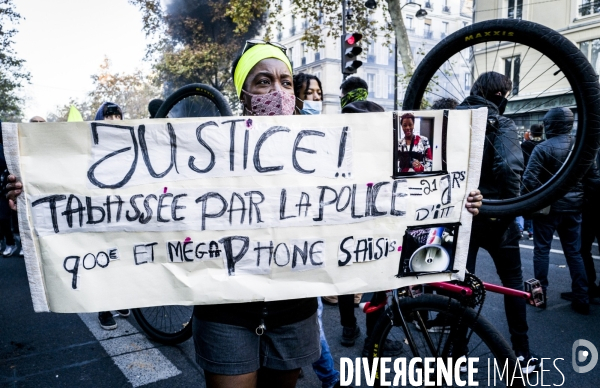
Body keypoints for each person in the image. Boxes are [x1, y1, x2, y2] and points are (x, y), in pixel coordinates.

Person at [5, 42, 484, 388]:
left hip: (294, 313)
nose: (277, 90)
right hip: (225, 313)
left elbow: (385, 194)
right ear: (243, 93)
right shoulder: (206, 148)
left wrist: (453, 196)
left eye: (284, 80)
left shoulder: (328, 146)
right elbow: (132, 201)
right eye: (263, 80)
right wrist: (37, 191)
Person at [457, 71, 538, 373]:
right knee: (512, 282)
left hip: (461, 213)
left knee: (461, 283)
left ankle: (457, 352)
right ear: (500, 96)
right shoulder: (502, 123)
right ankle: (521, 353)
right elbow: (509, 168)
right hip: (494, 212)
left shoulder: (452, 118)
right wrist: (511, 207)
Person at [522, 107, 600, 315]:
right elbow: (592, 180)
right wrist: (582, 201)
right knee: (574, 253)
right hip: (574, 208)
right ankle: (581, 296)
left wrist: (529, 204)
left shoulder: (543, 148)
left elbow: (529, 180)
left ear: (550, 125)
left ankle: (540, 295)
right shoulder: (582, 147)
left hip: (548, 208)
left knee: (541, 251)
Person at [293, 72, 343, 388]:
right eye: (308, 93)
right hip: (291, 241)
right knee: (312, 318)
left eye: (318, 93)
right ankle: (330, 378)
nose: (314, 99)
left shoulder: (325, 133)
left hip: (314, 238)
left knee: (311, 317)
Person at [92, 102, 132, 329]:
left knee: (124, 258)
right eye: (109, 116)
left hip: (125, 212)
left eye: (118, 115)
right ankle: (104, 309)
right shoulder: (93, 147)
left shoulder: (129, 143)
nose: (114, 119)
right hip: (102, 213)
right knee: (105, 260)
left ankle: (121, 299)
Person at [520, 123, 544, 240]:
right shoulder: (544, 144)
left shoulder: (525, 145)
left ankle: (523, 228)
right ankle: (532, 230)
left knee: (525, 202)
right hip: (541, 179)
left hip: (527, 176)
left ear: (530, 133)